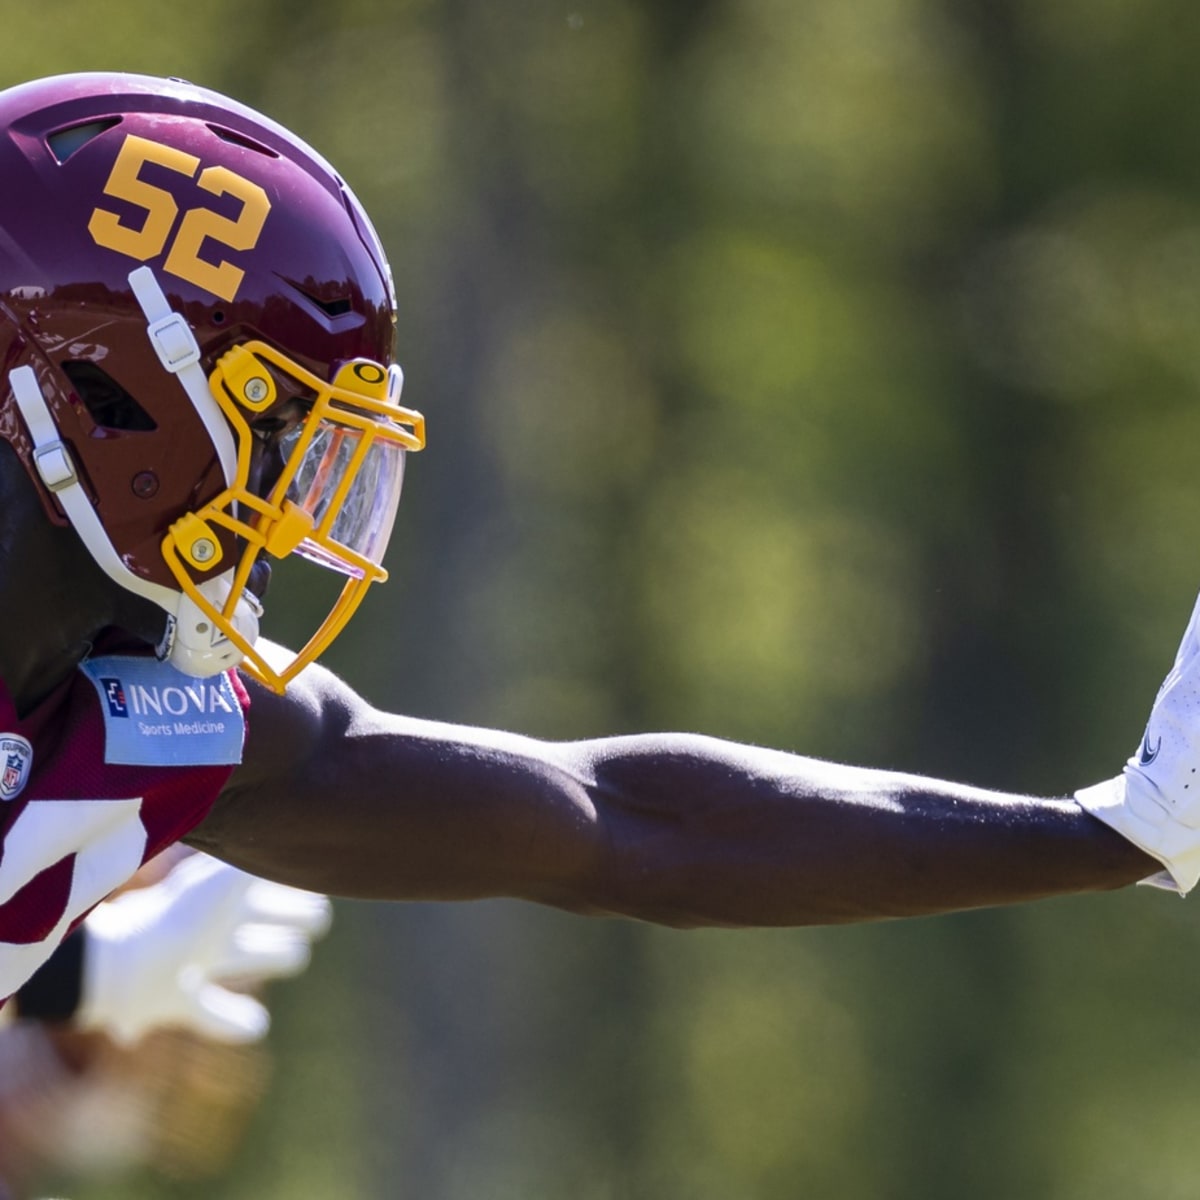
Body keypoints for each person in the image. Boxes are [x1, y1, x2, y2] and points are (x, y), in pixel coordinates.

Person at [0, 70, 1189, 1023]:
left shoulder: (132, 703)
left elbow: (621, 825)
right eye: (277, 429)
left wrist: (1114, 835)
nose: (293, 500)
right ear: (109, 395)